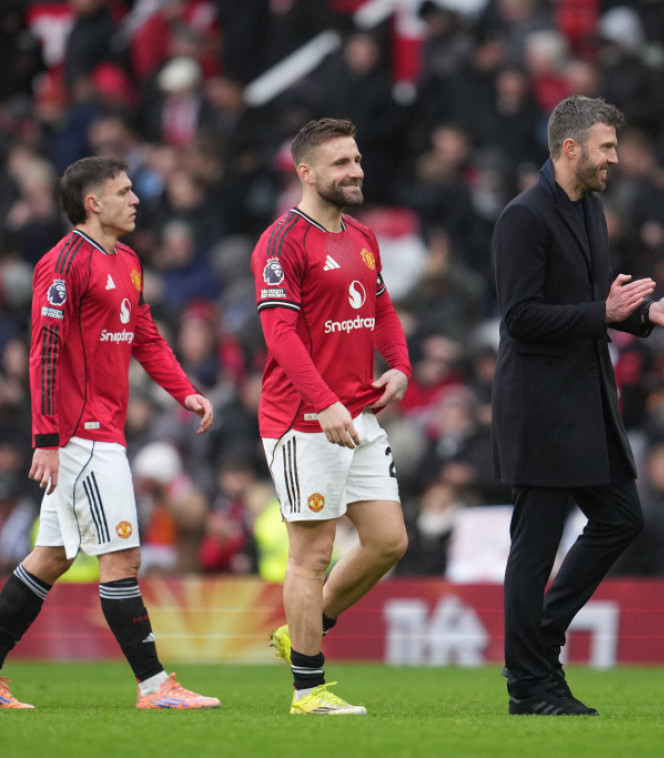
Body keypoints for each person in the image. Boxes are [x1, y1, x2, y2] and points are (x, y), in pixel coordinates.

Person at [491, 94, 664, 716]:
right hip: (538, 405)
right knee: (534, 547)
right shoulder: (523, 217)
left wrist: (645, 315)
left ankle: (540, 640)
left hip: (587, 397)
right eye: (607, 147)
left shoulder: (590, 208)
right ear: (571, 148)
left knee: (621, 518)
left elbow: (597, 307)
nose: (616, 158)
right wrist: (606, 312)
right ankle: (528, 686)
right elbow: (520, 318)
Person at [0, 156, 219, 710]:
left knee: (50, 558)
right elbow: (44, 353)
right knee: (121, 558)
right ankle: (155, 687)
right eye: (124, 192)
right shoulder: (62, 263)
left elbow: (145, 336)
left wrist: (185, 391)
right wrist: (47, 439)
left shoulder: (127, 261)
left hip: (103, 431)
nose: (136, 199)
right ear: (93, 203)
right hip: (81, 435)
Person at [254, 118, 413, 716]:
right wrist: (323, 402)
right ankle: (307, 691)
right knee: (311, 554)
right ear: (306, 172)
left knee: (388, 542)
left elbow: (382, 309)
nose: (356, 171)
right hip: (304, 419)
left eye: (357, 159)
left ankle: (303, 629)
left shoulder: (362, 235)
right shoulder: (282, 242)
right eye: (342, 163)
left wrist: (400, 366)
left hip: (360, 413)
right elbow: (280, 335)